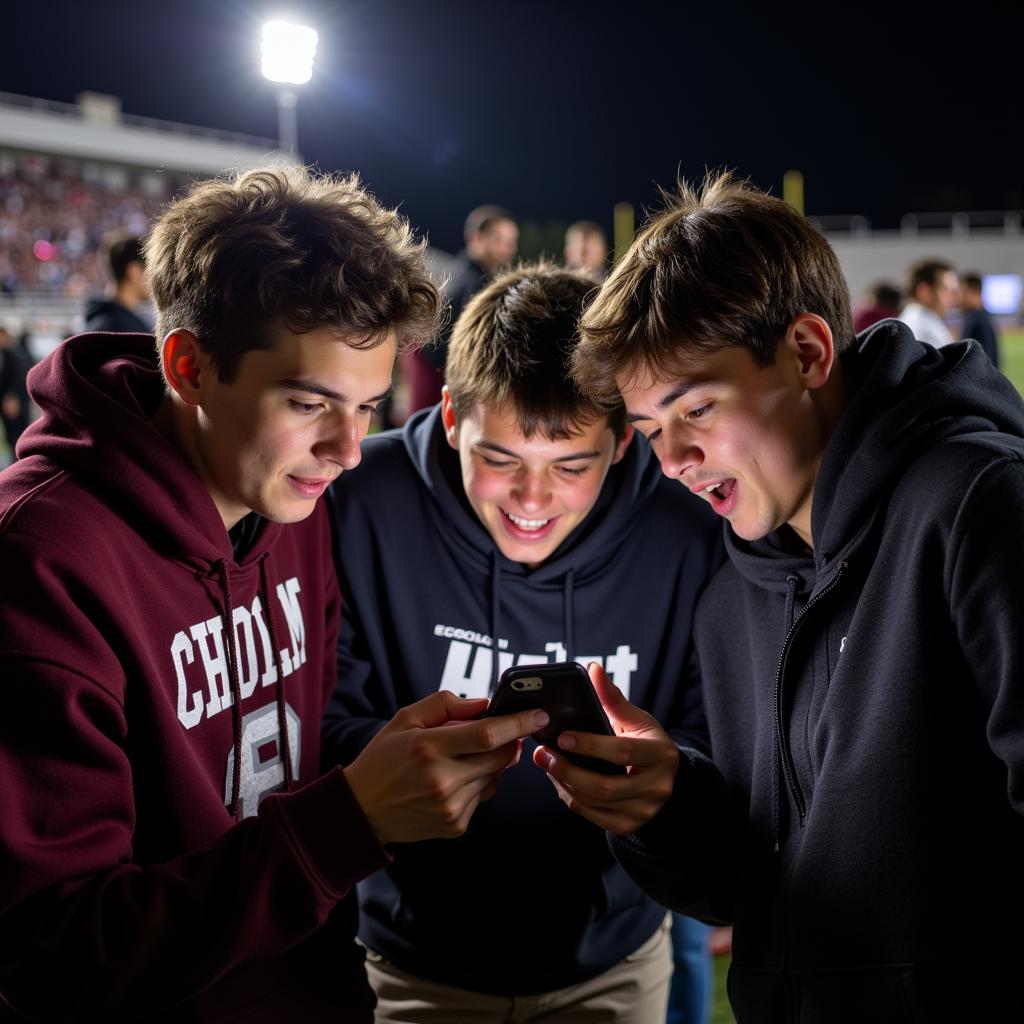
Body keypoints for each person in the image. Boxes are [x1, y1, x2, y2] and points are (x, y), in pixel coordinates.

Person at [0, 165, 544, 1023]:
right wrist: (348, 820)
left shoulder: (288, 497)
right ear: (189, 366)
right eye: (309, 401)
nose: (347, 449)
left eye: (367, 407)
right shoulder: (41, 561)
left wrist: (386, 766)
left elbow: (288, 774)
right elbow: (52, 951)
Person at [554, 171, 1024, 1022]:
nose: (674, 461)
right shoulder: (732, 591)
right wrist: (664, 809)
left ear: (807, 353)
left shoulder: (976, 505)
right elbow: (757, 885)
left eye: (695, 408)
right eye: (652, 432)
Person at [322, 262, 722, 1022]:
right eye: (498, 459)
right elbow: (311, 717)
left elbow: (718, 736)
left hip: (612, 958)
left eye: (572, 466)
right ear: (448, 417)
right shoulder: (357, 501)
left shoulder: (687, 528)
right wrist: (391, 769)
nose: (532, 500)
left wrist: (670, 784)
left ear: (625, 445)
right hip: (409, 961)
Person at [403, 205, 519, 415]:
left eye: (511, 241)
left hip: (438, 368)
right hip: (437, 373)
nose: (507, 248)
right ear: (477, 239)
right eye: (499, 239)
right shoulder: (474, 280)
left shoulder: (465, 272)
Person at [85, 235, 155, 332]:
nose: (154, 281)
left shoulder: (102, 322)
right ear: (134, 271)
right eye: (151, 272)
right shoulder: (120, 329)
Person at [897, 257, 959, 347]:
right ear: (924, 291)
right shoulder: (924, 329)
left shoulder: (912, 321)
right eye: (946, 290)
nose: (954, 298)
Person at [0, 325, 30, 462]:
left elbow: (20, 375)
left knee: (17, 435)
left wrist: (12, 396)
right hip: (6, 398)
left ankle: (19, 463)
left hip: (14, 400)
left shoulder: (15, 352)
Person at [959, 271, 1001, 367]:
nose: (959, 298)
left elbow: (987, 362)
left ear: (975, 290)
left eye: (962, 292)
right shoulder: (978, 317)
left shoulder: (979, 320)